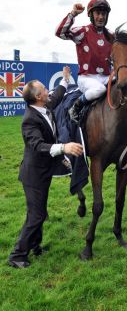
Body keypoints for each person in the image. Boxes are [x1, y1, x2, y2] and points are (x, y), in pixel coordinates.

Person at [9, 66, 83, 268]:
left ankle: (35, 245)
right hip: (33, 177)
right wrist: (64, 147)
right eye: (44, 89)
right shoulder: (29, 120)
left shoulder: (44, 106)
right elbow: (38, 146)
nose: (47, 91)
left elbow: (58, 95)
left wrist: (65, 80)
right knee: (37, 214)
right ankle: (17, 255)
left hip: (43, 173)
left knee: (38, 212)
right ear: (38, 97)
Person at [55, 0, 113, 122]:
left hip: (106, 77)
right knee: (100, 90)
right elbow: (59, 32)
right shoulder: (83, 32)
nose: (101, 17)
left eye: (104, 13)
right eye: (98, 13)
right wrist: (73, 14)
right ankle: (76, 107)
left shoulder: (111, 35)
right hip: (87, 78)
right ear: (91, 15)